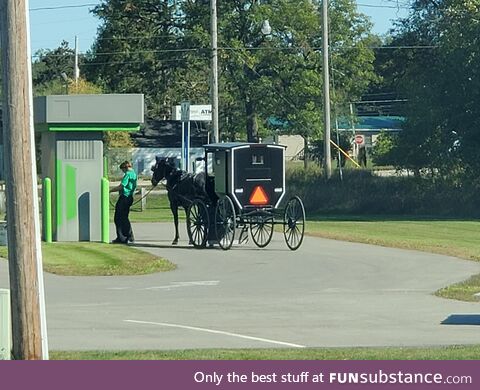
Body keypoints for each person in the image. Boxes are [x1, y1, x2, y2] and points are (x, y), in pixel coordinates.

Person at [110, 161, 137, 244]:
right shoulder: (134, 174)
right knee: (125, 217)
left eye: (123, 170)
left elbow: (121, 186)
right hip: (130, 197)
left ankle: (121, 237)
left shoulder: (128, 174)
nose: (123, 172)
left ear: (126, 168)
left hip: (124, 197)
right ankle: (130, 236)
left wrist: (110, 190)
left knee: (118, 218)